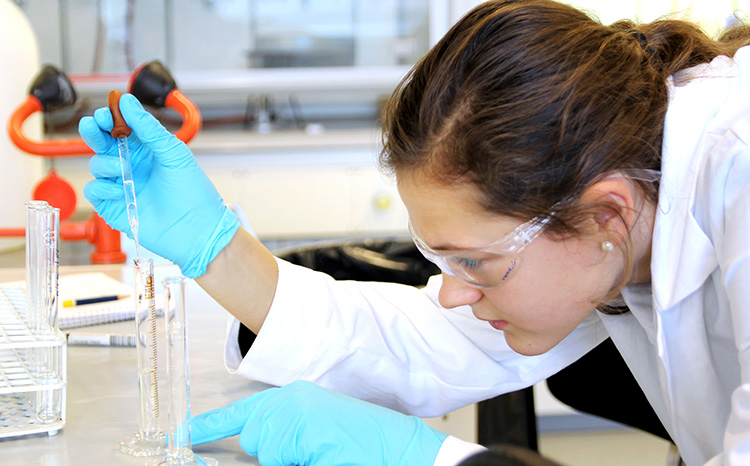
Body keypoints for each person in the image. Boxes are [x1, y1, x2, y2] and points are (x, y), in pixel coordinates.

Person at [79, 0, 750, 464]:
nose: (453, 293)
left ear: (608, 215)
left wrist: (433, 460)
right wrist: (214, 245)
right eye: (444, 261)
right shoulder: (625, 189)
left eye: (477, 263)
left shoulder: (736, 172)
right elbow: (422, 343)